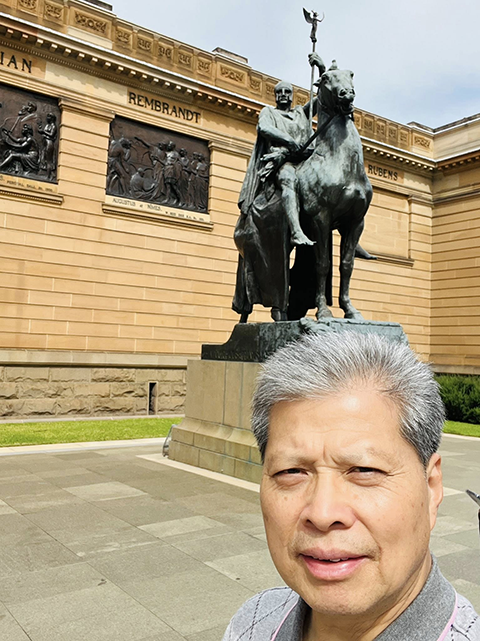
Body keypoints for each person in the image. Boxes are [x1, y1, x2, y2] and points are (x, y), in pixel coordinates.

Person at [223, 332, 480, 640]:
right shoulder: (253, 621)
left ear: (431, 486)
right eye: (291, 471)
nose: (322, 513)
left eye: (364, 470)